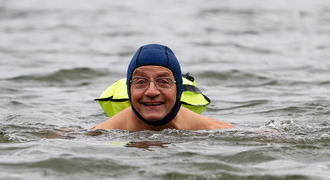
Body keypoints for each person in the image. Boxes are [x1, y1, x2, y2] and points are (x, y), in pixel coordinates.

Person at [92, 44, 233, 131]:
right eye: (141, 82)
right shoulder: (102, 133)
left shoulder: (215, 130)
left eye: (163, 81)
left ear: (178, 90)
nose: (152, 92)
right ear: (130, 89)